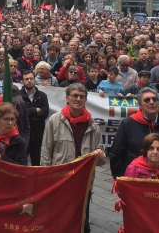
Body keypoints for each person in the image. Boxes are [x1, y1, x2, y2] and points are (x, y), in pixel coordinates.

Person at [40, 83, 106, 233]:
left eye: (81, 96)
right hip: (60, 180)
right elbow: (46, 150)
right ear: (67, 98)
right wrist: (46, 178)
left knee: (82, 222)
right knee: (58, 219)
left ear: (85, 100)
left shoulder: (93, 125)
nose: (78, 99)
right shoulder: (55, 120)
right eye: (74, 96)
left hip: (83, 181)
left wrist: (100, 155)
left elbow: (101, 157)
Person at [109, 87, 159, 178]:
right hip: (135, 177)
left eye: (154, 99)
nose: (151, 102)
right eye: (147, 100)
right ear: (140, 105)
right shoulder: (128, 124)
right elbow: (116, 154)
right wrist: (120, 179)